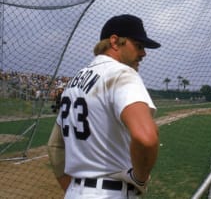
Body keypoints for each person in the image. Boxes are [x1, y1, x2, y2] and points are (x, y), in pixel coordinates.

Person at [47, 14, 160, 199]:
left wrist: (74, 190)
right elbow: (146, 138)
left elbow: (54, 146)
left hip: (75, 192)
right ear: (115, 42)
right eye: (138, 46)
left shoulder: (74, 80)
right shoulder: (122, 74)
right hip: (112, 193)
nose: (143, 53)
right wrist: (140, 179)